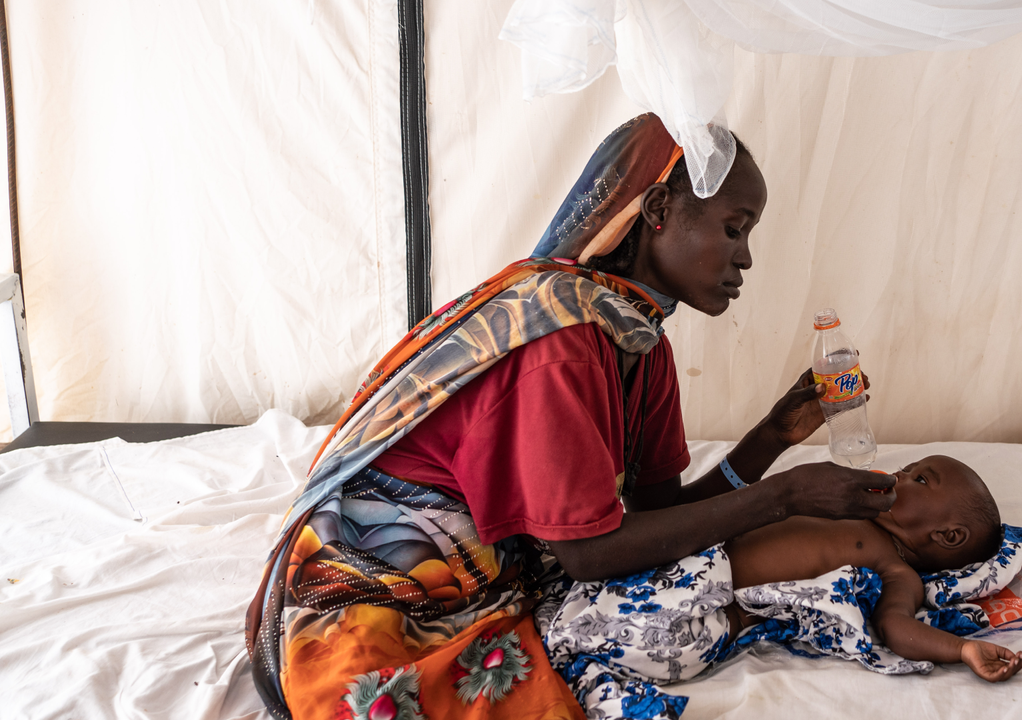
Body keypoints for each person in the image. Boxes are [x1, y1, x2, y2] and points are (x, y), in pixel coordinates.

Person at [246, 113, 896, 720]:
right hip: (375, 584)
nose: (746, 257)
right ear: (661, 211)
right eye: (734, 227)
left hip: (501, 566)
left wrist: (773, 437)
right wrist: (779, 498)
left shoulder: (640, 341)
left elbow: (656, 522)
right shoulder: (561, 338)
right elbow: (589, 554)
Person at [724, 455, 1022, 681]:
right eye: (907, 468)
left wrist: (962, 649)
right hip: (714, 534)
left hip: (715, 586)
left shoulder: (898, 572)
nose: (898, 475)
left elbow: (894, 626)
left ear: (948, 536)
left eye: (919, 479)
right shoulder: (855, 508)